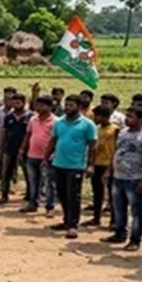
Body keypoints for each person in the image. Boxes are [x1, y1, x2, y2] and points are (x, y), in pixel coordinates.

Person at [103, 104, 142, 250]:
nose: (127, 119)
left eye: (131, 117)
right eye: (127, 115)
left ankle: (135, 239)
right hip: (119, 176)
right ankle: (119, 233)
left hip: (135, 178)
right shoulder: (122, 132)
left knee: (137, 211)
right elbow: (116, 152)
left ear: (141, 119)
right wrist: (109, 170)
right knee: (119, 208)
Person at [45, 95, 97, 240]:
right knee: (62, 194)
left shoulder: (87, 124)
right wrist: (46, 157)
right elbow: (53, 140)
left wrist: (91, 165)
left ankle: (73, 225)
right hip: (58, 163)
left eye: (71, 105)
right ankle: (66, 220)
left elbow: (93, 146)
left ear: (79, 107)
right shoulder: (59, 122)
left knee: (73, 196)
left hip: (76, 165)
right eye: (66, 105)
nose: (67, 107)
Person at [19, 96, 58, 215]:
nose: (38, 108)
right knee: (33, 181)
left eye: (42, 105)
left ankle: (50, 207)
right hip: (32, 155)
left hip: (48, 157)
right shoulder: (33, 119)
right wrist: (22, 150)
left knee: (49, 183)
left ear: (50, 107)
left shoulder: (56, 121)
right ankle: (32, 203)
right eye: (37, 105)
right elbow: (28, 135)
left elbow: (57, 139)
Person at [84, 105, 118, 228]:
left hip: (109, 164)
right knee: (97, 192)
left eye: (97, 116)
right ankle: (96, 218)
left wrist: (112, 167)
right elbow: (92, 148)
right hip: (97, 163)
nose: (95, 118)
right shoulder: (95, 129)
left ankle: (114, 221)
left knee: (112, 194)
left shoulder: (115, 130)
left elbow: (117, 149)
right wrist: (90, 164)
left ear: (105, 116)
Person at [0, 93, 31, 205]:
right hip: (9, 149)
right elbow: (4, 133)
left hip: (26, 150)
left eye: (18, 102)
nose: (15, 105)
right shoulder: (9, 117)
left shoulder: (30, 117)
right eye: (13, 102)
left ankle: (30, 195)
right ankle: (4, 195)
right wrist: (1, 149)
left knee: (28, 174)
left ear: (24, 103)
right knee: (6, 173)